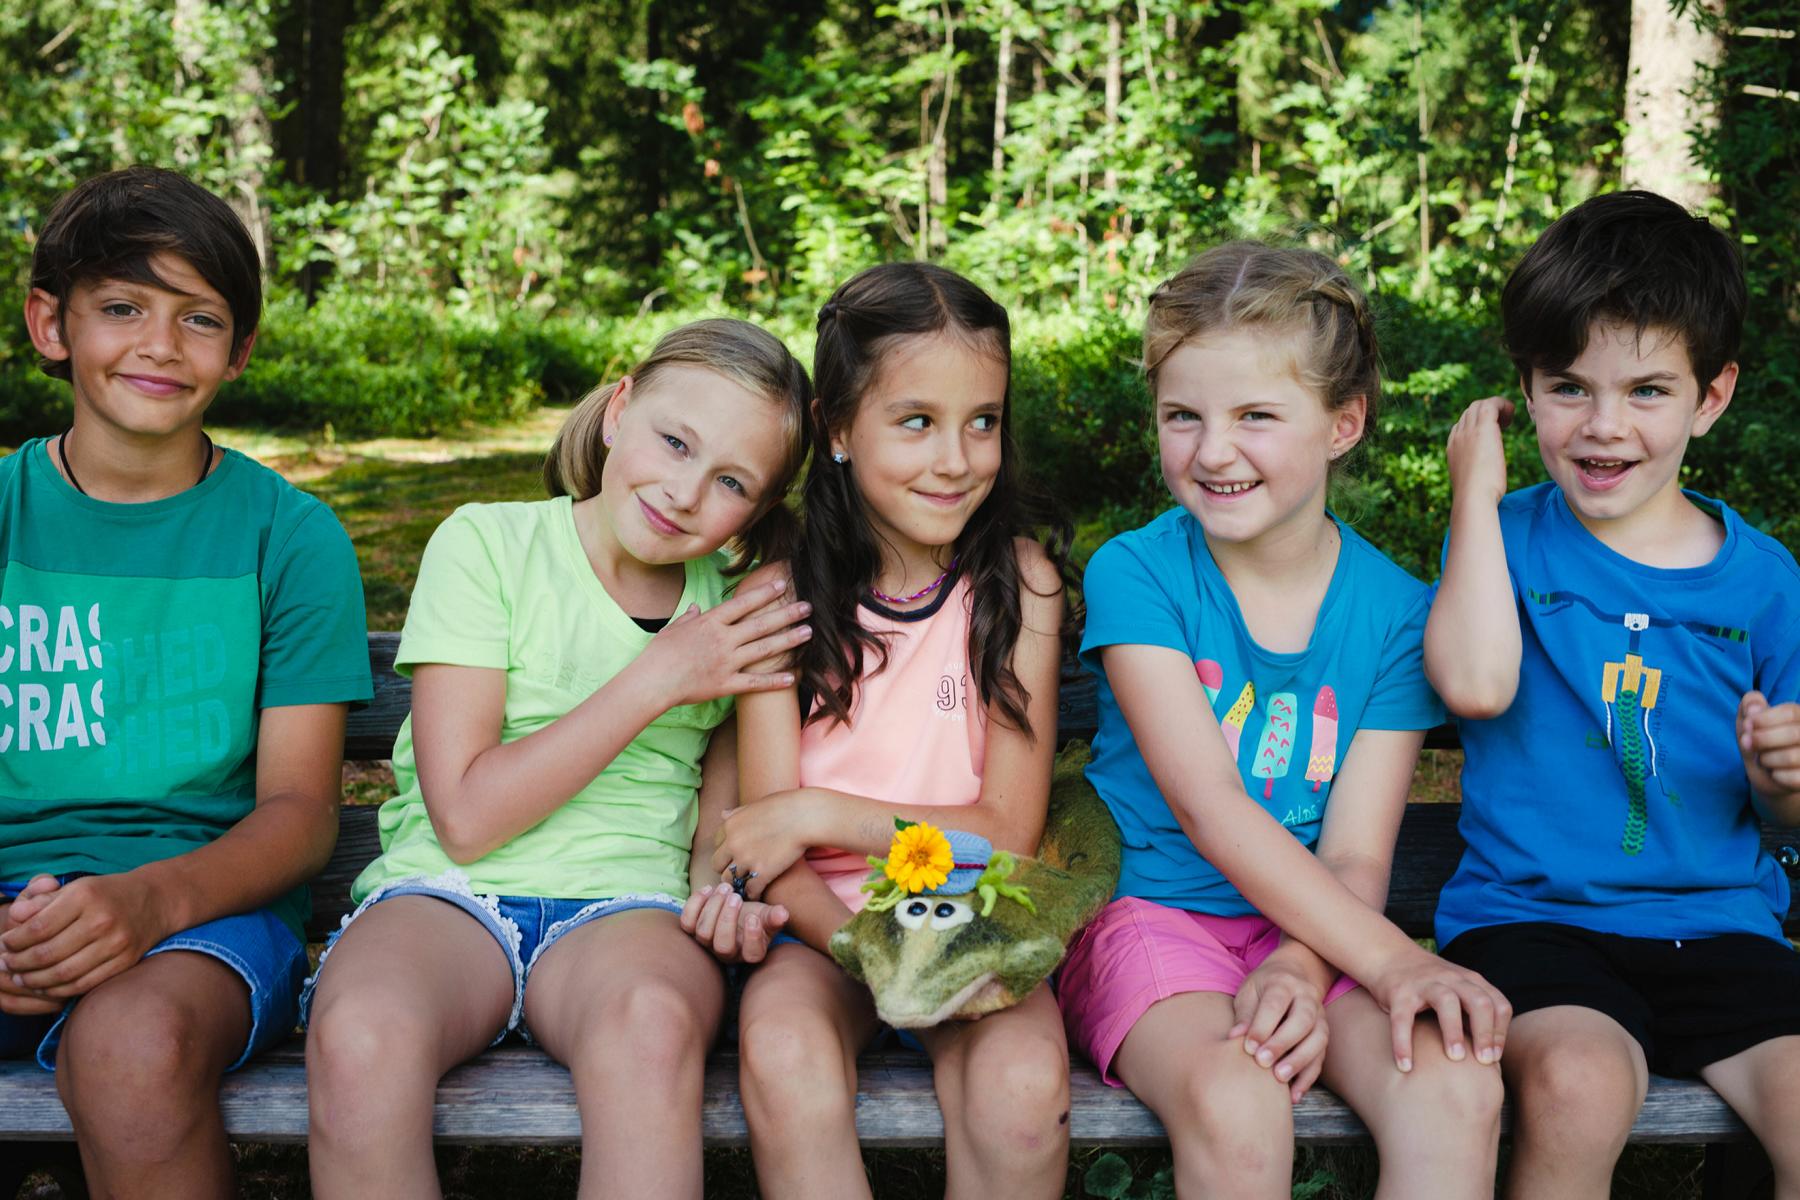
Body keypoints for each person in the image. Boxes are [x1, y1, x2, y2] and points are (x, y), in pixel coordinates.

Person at [301, 318, 814, 1200]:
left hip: (627, 912)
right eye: (674, 441)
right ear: (619, 411)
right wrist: (657, 678)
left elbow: (717, 820)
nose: (686, 491)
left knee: (650, 1027)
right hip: (444, 898)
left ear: (758, 511)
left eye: (730, 481)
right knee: (362, 1032)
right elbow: (464, 818)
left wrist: (718, 894)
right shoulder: (487, 545)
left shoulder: (730, 616)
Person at [1057, 243, 1508, 1198]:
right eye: (1183, 417)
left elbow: (1355, 854)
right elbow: (1212, 807)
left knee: (1455, 1087)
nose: (1212, 451)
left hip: (1322, 932)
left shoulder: (1393, 614)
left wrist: (1309, 964)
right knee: (1238, 1090)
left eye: (1256, 416)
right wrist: (1388, 961)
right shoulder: (1138, 574)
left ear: (1343, 424)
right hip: (1154, 919)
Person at [0, 165, 372, 1197]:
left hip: (205, 911)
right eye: (122, 307)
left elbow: (300, 813)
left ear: (238, 352)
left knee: (132, 1046)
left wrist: (150, 901)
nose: (160, 345)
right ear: (50, 324)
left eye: (198, 319)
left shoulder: (287, 537)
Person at [1426, 190, 1800, 1199]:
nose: (1603, 428)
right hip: (1534, 923)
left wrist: (1784, 783)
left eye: (1646, 391)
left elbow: (1784, 821)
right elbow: (1469, 680)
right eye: (1567, 388)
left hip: (1723, 924)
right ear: (1526, 391)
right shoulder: (1504, 542)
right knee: (1580, 1085)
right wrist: (1474, 493)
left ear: (1710, 399)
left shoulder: (1765, 585)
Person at [691, 262, 1074, 1199]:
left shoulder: (1019, 587)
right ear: (835, 429)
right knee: (784, 1050)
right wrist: (867, 954)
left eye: (982, 421)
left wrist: (823, 810)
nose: (957, 459)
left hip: (976, 913)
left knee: (1023, 1086)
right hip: (816, 930)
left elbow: (1009, 834)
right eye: (917, 422)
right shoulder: (778, 604)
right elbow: (769, 852)